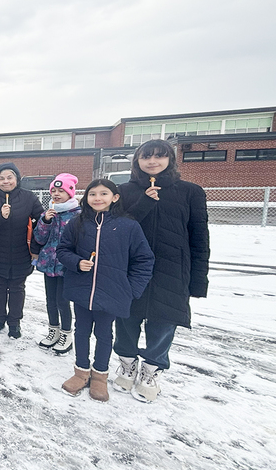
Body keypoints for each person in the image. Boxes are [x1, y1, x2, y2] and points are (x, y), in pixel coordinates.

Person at [115, 140, 210, 402]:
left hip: (173, 267)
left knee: (164, 321)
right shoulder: (123, 191)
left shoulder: (190, 192)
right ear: (137, 161)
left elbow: (199, 237)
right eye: (146, 156)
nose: (152, 161)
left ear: (171, 159)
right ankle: (126, 363)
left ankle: (151, 370)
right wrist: (144, 203)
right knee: (126, 318)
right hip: (131, 267)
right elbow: (117, 229)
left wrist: (198, 279)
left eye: (159, 156)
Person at [57, 179, 154, 402]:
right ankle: (81, 372)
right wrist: (76, 262)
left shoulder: (128, 226)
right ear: (86, 197)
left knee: (104, 334)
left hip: (112, 292)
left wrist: (131, 290)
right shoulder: (77, 223)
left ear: (115, 197)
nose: (97, 198)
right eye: (92, 194)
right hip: (81, 290)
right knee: (81, 331)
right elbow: (63, 250)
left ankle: (100, 376)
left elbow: (144, 260)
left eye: (103, 193)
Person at [0, 162, 44, 338]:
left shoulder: (29, 198)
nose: (5, 181)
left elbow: (40, 222)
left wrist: (44, 224)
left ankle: (14, 323)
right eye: (1, 178)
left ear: (17, 179)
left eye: (9, 177)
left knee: (17, 289)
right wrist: (0, 216)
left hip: (21, 254)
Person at [33, 173, 81, 354]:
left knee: (63, 301)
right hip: (48, 263)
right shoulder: (48, 213)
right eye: (53, 191)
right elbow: (39, 238)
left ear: (70, 192)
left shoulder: (78, 215)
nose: (56, 194)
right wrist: (45, 221)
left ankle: (66, 334)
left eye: (61, 191)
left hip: (66, 266)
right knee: (50, 300)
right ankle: (53, 330)